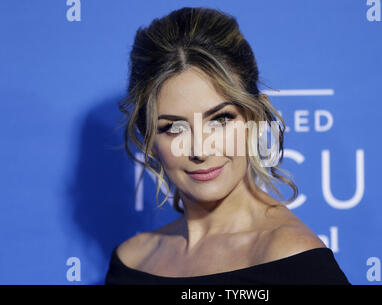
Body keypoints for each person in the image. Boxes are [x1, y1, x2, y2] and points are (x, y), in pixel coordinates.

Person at [105, 6, 350, 285]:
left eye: (220, 119)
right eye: (174, 127)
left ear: (255, 117)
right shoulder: (131, 260)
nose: (200, 150)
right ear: (148, 138)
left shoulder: (294, 259)